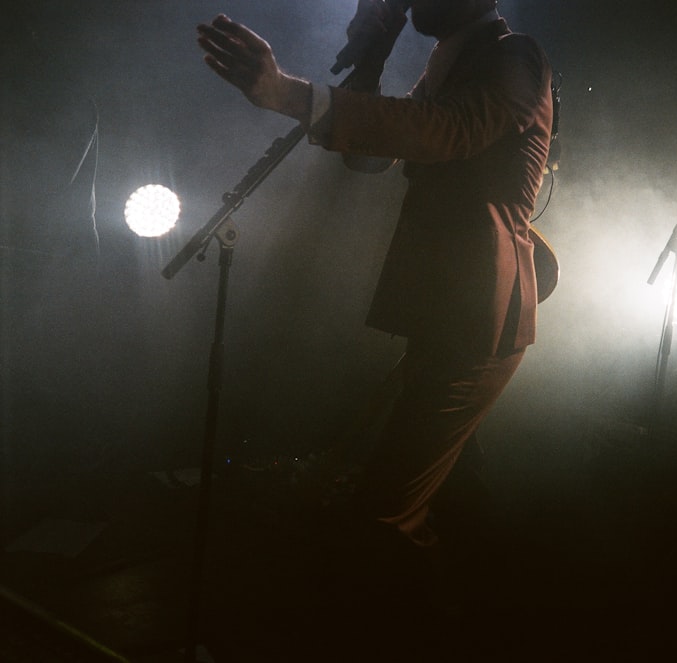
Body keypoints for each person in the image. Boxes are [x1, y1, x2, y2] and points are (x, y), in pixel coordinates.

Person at [196, 1, 553, 560]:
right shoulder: (448, 63)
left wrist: (288, 93)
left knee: (383, 515)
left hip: (479, 317)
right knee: (447, 496)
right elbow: (373, 159)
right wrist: (372, 60)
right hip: (444, 310)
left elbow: (444, 132)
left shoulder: (515, 56)